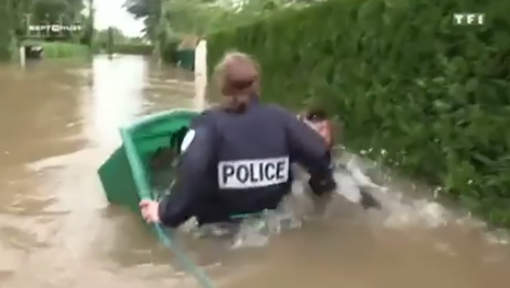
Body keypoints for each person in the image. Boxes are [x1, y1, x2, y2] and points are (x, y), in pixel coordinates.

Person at [139, 52, 336, 227]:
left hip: (218, 230)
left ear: (222, 86)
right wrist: (319, 188)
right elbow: (319, 153)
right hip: (273, 221)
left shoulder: (208, 125)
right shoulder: (282, 118)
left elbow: (193, 171)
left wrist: (165, 213)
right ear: (257, 84)